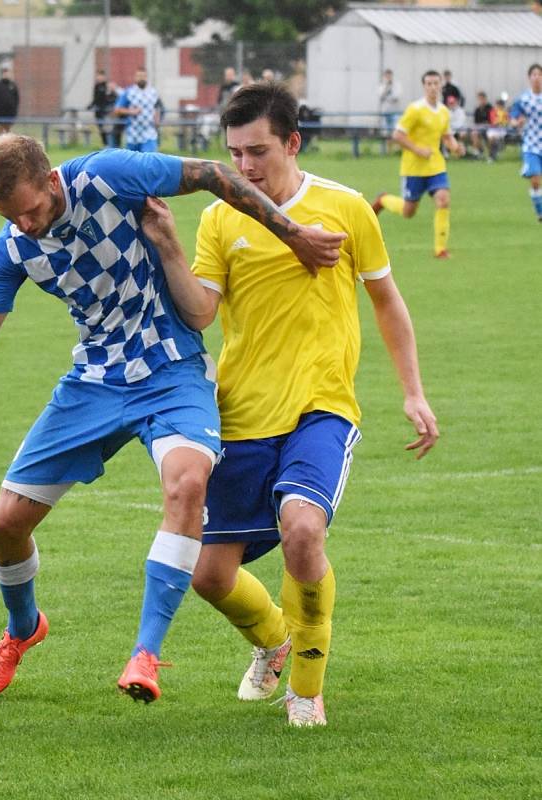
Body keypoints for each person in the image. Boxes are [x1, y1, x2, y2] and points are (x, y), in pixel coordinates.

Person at [0, 134, 346, 706]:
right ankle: (23, 629)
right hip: (94, 383)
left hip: (172, 370)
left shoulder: (107, 175)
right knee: (5, 525)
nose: (24, 224)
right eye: (9, 216)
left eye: (30, 209)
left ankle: (146, 654)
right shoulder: (13, 249)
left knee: (188, 483)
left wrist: (292, 233)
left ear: (52, 181)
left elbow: (210, 173)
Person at [140, 81, 439, 727]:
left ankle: (306, 689)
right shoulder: (221, 216)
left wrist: (412, 391)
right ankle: (274, 643)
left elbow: (385, 299)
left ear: (292, 142)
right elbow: (200, 314)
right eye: (232, 154)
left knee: (302, 529)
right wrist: (167, 244)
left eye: (257, 152)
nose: (243, 167)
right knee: (209, 577)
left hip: (321, 404)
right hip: (241, 409)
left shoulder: (345, 207)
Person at [372, 70, 465, 259]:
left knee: (443, 199)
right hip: (413, 168)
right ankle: (383, 200)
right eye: (429, 84)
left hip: (436, 167)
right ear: (424, 86)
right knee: (408, 211)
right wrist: (418, 150)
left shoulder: (444, 112)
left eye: (435, 83)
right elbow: (397, 135)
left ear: (440, 86)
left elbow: (446, 136)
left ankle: (440, 249)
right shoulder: (415, 109)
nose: (432, 87)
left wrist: (456, 147)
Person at [509, 63, 542, 222]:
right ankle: (540, 211)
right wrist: (517, 123)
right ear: (529, 78)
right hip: (532, 144)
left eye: (539, 75)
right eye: (534, 75)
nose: (537, 78)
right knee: (535, 179)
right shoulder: (523, 99)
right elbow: (513, 118)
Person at [113, 67, 161, 152]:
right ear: (135, 77)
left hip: (149, 134)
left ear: (146, 77)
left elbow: (158, 107)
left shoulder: (153, 92)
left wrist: (157, 118)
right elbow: (117, 110)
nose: (141, 78)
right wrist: (131, 112)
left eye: (143, 76)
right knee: (133, 164)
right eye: (139, 76)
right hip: (133, 135)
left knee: (149, 161)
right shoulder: (129, 92)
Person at [87, 69, 116, 147]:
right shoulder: (96, 86)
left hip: (106, 111)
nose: (99, 78)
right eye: (98, 76)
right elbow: (95, 98)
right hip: (98, 111)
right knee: (100, 128)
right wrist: (91, 105)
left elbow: (112, 97)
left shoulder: (107, 86)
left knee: (107, 128)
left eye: (101, 76)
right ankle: (105, 144)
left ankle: (110, 144)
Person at [0, 66, 20, 134]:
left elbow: (17, 100)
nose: (6, 75)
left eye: (8, 73)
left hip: (10, 114)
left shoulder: (13, 85)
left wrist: (14, 111)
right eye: (5, 73)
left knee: (8, 133)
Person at [469, 91, 493, 159]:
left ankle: (490, 154)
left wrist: (486, 123)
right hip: (480, 127)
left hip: (489, 127)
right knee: (474, 134)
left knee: (490, 136)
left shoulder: (490, 108)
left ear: (485, 99)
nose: (481, 100)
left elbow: (491, 120)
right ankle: (478, 152)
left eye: (482, 99)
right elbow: (476, 122)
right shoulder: (477, 109)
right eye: (479, 99)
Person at [378, 68, 403, 133]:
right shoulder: (382, 85)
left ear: (392, 76)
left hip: (394, 110)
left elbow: (397, 96)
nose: (388, 77)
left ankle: (393, 141)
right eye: (386, 76)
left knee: (394, 128)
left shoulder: (397, 85)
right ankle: (386, 142)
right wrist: (387, 87)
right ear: (384, 76)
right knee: (385, 129)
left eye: (389, 76)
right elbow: (380, 96)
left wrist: (387, 98)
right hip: (385, 110)